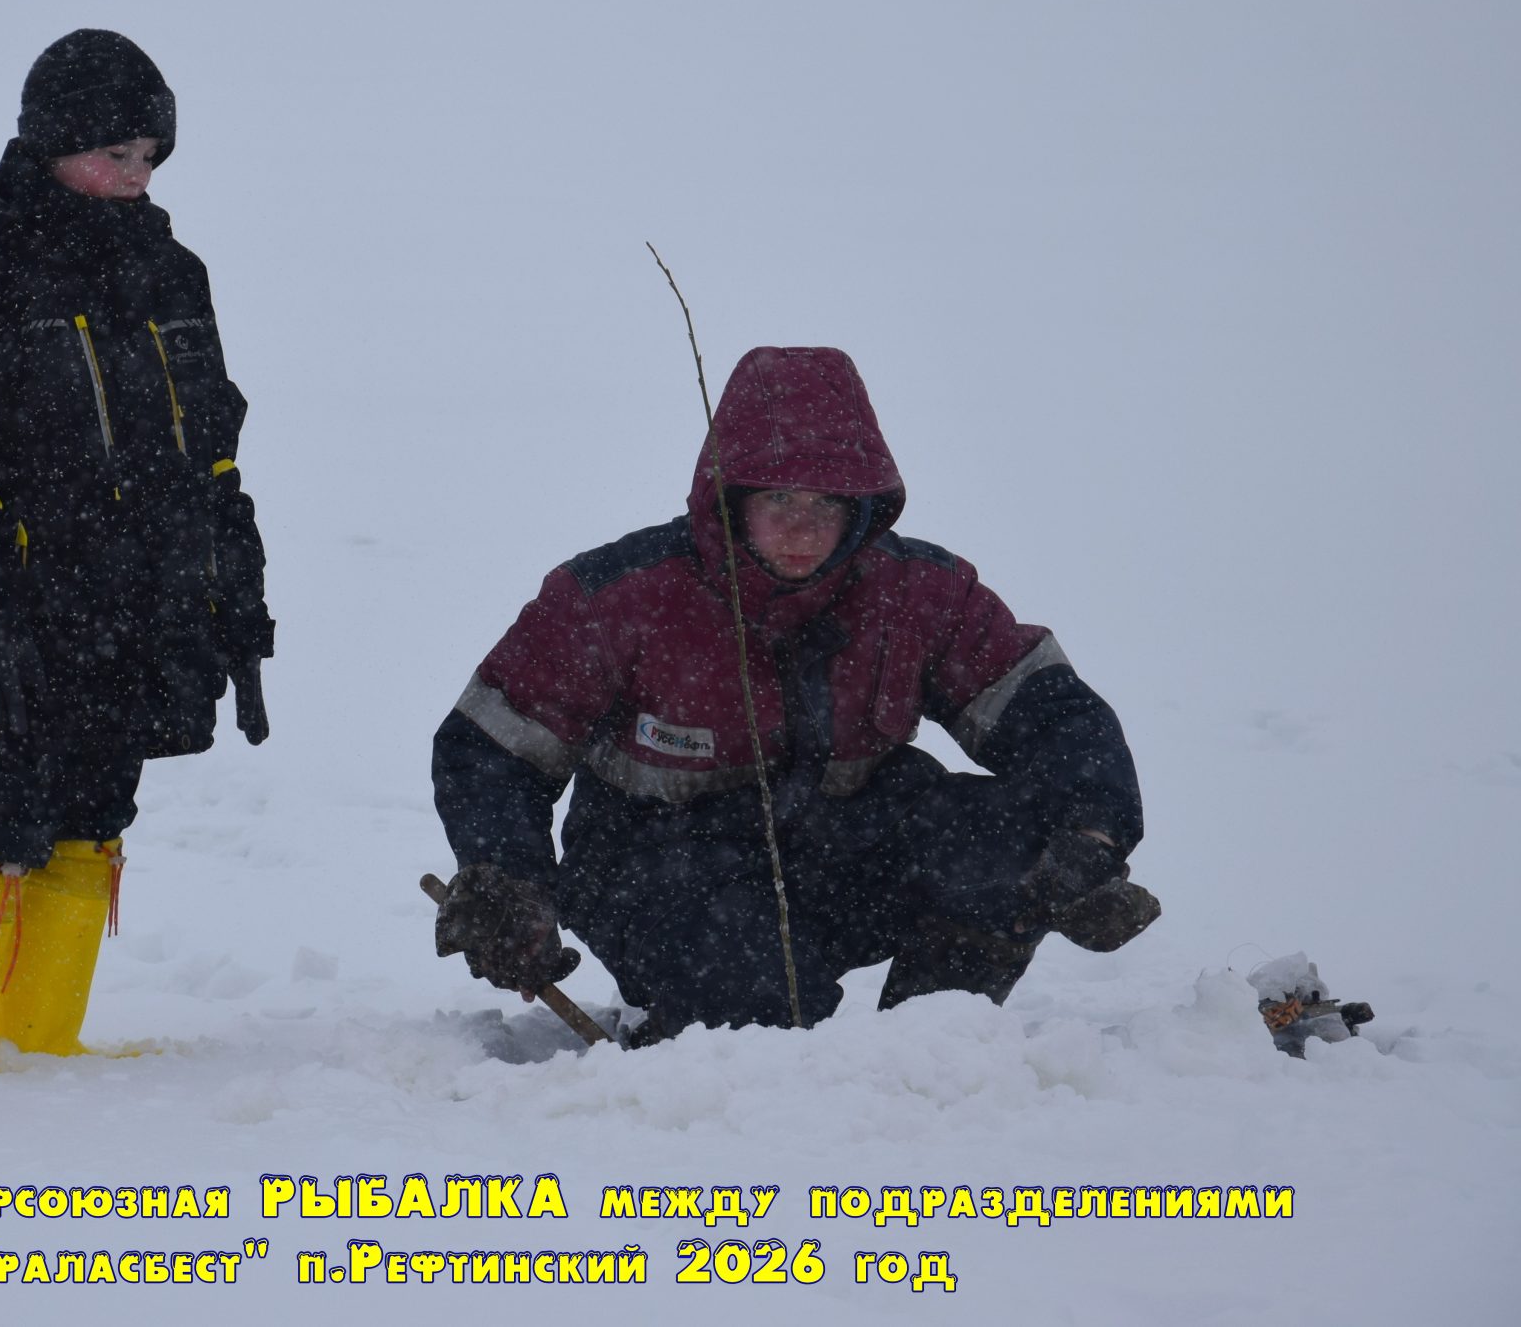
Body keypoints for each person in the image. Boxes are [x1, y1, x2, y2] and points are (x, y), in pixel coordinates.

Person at [430, 345, 1155, 1044]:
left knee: (1017, 843)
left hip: (841, 845)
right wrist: (506, 880)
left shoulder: (921, 594)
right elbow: (491, 749)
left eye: (826, 503)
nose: (803, 526)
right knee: (759, 1024)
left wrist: (1093, 836)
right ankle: (714, 1044)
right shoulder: (617, 596)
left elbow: (1052, 714)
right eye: (779, 498)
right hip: (657, 866)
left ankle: (933, 1056)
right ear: (730, 499)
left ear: (863, 507)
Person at [0, 29, 274, 1068]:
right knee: (3, 802)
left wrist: (233, 569)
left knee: (98, 802)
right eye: (113, 154)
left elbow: (211, 439)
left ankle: (39, 1051)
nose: (135, 176)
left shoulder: (172, 273)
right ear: (50, 142)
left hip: (142, 589)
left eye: (149, 156)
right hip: (18, 590)